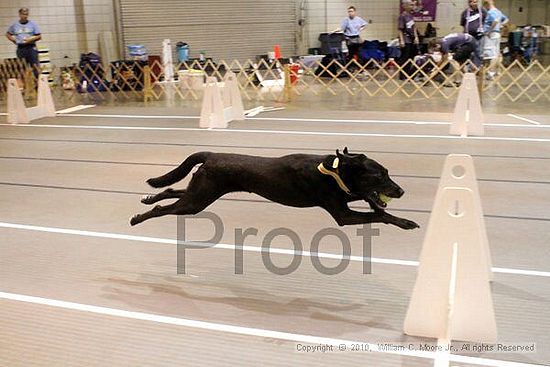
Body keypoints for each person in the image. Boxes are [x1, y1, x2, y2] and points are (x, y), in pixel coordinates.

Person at [6, 8, 42, 73]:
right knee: (22, 68)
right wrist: (14, 40)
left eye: (26, 14)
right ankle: (26, 82)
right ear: (19, 14)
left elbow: (39, 36)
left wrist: (31, 39)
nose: (25, 16)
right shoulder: (15, 25)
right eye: (23, 14)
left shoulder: (33, 24)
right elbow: (8, 34)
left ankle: (36, 81)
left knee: (35, 67)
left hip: (31, 47)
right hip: (21, 48)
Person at [482, 0, 508, 80]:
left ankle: (490, 73)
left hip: (491, 34)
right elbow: (506, 19)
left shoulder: (491, 12)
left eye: (484, 6)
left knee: (490, 54)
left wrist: (489, 31)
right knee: (496, 54)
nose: (485, 8)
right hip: (497, 34)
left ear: (487, 4)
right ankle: (497, 71)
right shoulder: (498, 12)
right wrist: (501, 25)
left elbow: (495, 21)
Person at [398, 0, 420, 80]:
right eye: (411, 5)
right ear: (405, 6)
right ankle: (402, 75)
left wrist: (416, 37)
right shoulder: (402, 16)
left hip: (412, 39)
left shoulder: (411, 15)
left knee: (411, 57)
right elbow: (400, 29)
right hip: (405, 39)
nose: (412, 7)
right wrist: (402, 40)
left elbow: (414, 27)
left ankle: (410, 74)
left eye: (413, 5)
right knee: (405, 58)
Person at [460, 0, 486, 68]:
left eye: (476, 2)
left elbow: (487, 21)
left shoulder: (482, 11)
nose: (475, 4)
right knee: (468, 52)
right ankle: (467, 67)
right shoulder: (465, 13)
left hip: (480, 36)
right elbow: (463, 24)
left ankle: (476, 68)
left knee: (479, 53)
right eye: (474, 2)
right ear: (469, 3)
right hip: (469, 36)